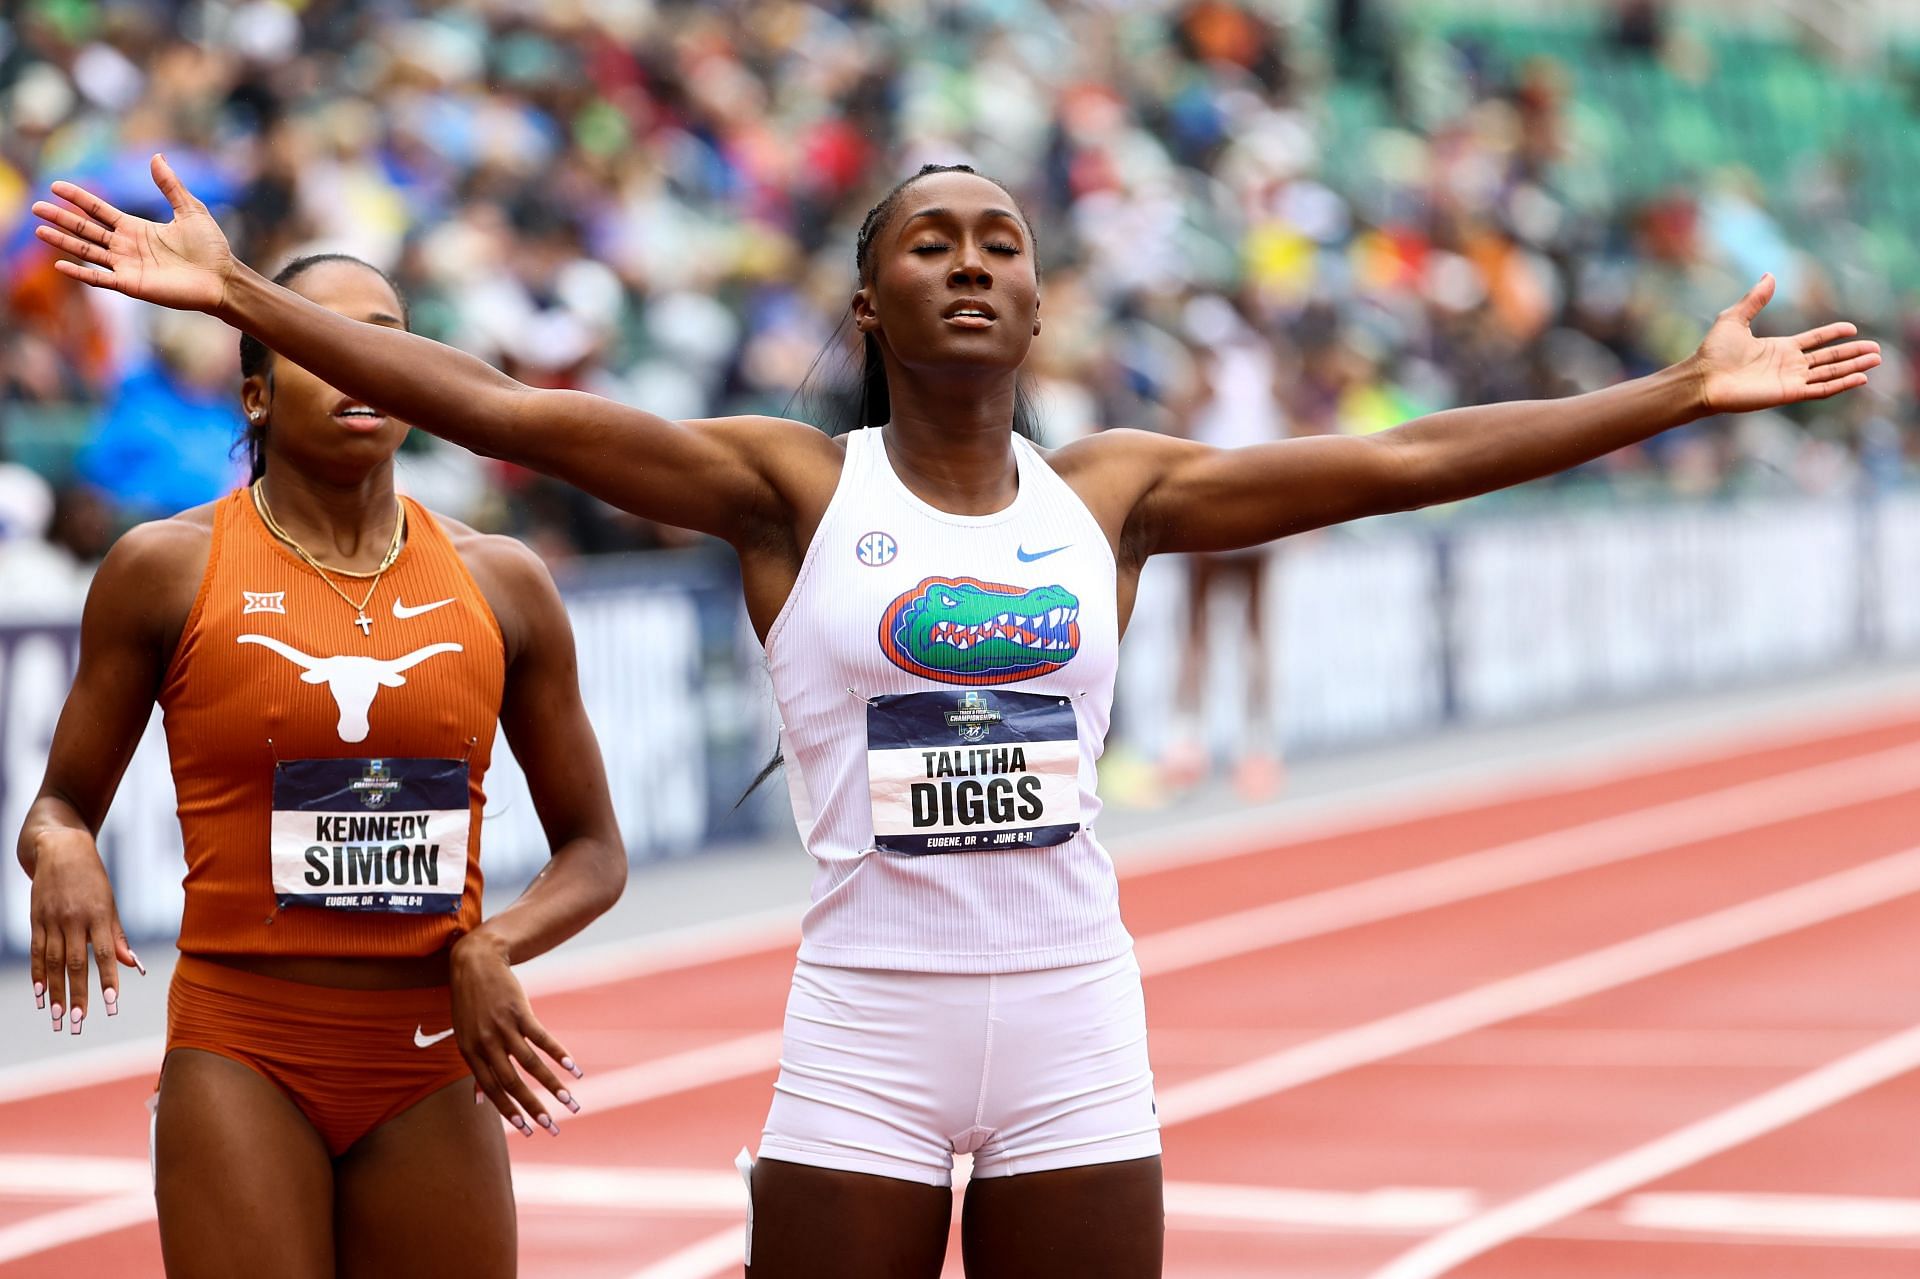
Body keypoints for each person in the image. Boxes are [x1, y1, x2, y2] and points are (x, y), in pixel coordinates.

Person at [32, 156, 1879, 1278]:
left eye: (1000, 238)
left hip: (1076, 1014)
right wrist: (254, 299)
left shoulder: (1124, 490)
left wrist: (1671, 390)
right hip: (868, 1025)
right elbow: (506, 409)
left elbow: (1403, 460)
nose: (972, 259)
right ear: (869, 299)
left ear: (1044, 300)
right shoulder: (787, 490)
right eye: (931, 241)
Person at [14, 249, 626, 1279]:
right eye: (319, 341)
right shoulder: (165, 569)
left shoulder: (504, 581)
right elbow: (60, 805)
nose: (358, 365)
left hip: (433, 1056)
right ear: (255, 394)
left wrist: (494, 947)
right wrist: (62, 849)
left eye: (383, 339)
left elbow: (594, 851)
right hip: (243, 1046)